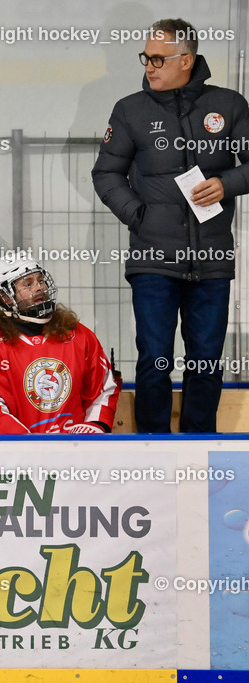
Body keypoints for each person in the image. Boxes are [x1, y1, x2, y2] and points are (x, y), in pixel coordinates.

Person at [91, 17, 249, 432]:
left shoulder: (230, 105)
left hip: (212, 259)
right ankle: (152, 448)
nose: (150, 66)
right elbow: (106, 173)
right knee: (154, 358)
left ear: (187, 60)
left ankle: (200, 448)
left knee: (206, 359)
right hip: (152, 259)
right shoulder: (129, 110)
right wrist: (138, 215)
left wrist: (225, 183)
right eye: (146, 57)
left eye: (159, 58)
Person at [0, 256, 120, 434]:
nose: (39, 288)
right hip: (17, 459)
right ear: (5, 297)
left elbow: (103, 389)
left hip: (75, 452)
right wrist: (29, 447)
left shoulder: (78, 335)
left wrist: (95, 426)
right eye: (28, 284)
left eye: (41, 280)